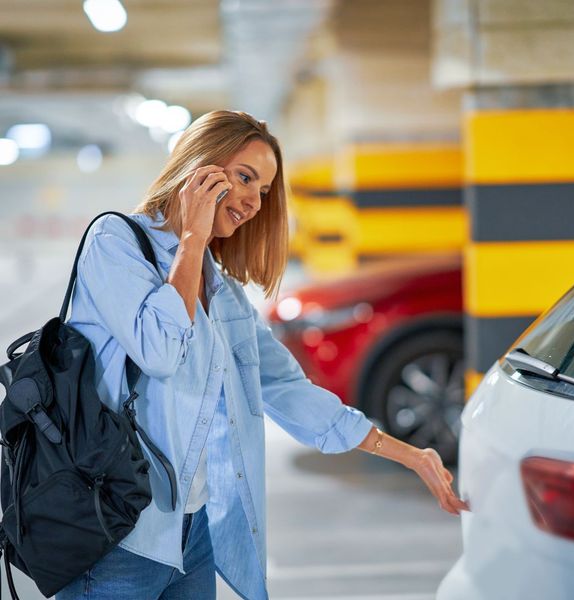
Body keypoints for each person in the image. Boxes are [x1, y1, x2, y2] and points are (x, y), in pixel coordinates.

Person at [56, 110, 469, 600]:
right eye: (245, 178)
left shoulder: (222, 290)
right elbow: (160, 350)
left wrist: (410, 453)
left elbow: (286, 389)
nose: (254, 201)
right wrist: (191, 237)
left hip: (192, 534)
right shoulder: (115, 243)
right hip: (118, 533)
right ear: (199, 168)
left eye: (265, 190)